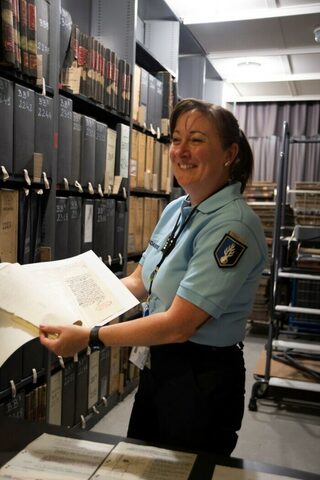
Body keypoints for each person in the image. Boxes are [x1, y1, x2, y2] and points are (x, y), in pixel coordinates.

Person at [40, 98, 268, 456]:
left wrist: (90, 337)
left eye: (196, 139)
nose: (181, 150)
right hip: (159, 365)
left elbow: (179, 325)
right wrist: (65, 298)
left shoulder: (233, 227)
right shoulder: (178, 208)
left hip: (201, 378)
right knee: (143, 463)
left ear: (230, 153)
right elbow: (139, 281)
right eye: (176, 139)